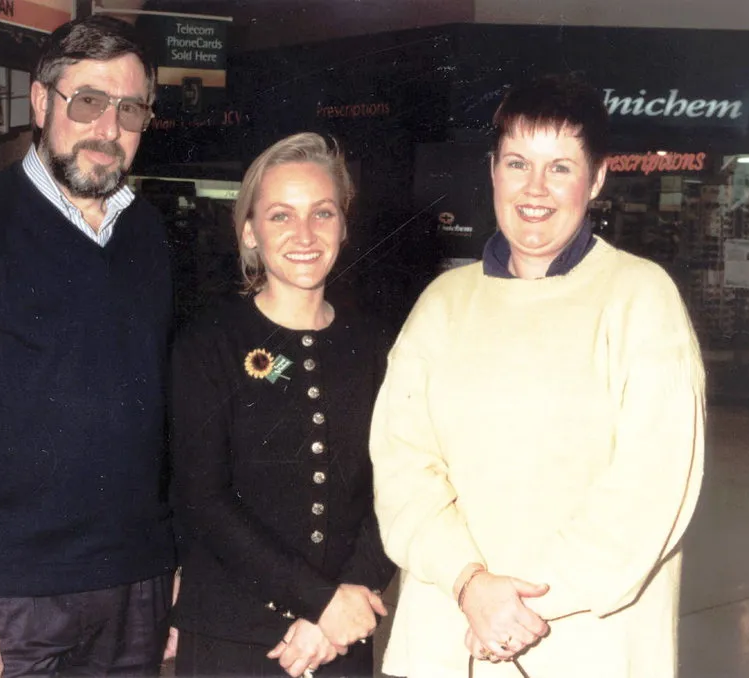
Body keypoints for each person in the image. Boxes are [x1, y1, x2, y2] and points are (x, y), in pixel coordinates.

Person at [369, 74, 705, 678]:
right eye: (518, 162)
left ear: (596, 178)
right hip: (449, 629)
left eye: (560, 167)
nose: (535, 189)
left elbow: (650, 486)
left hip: (582, 641)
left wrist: (517, 608)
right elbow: (400, 463)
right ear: (492, 169)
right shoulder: (443, 303)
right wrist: (470, 583)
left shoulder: (640, 298)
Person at [0, 15, 175, 677]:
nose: (109, 130)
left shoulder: (150, 237)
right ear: (43, 102)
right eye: (88, 103)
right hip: (10, 599)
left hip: (135, 588)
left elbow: (164, 421)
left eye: (130, 110)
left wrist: (173, 564)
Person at [169, 132, 397, 678]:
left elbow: (398, 486)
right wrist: (316, 601)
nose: (304, 234)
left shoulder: (377, 347)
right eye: (279, 216)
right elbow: (203, 499)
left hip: (341, 632)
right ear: (249, 231)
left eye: (322, 213)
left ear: (343, 225)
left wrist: (349, 598)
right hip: (234, 634)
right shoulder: (207, 344)